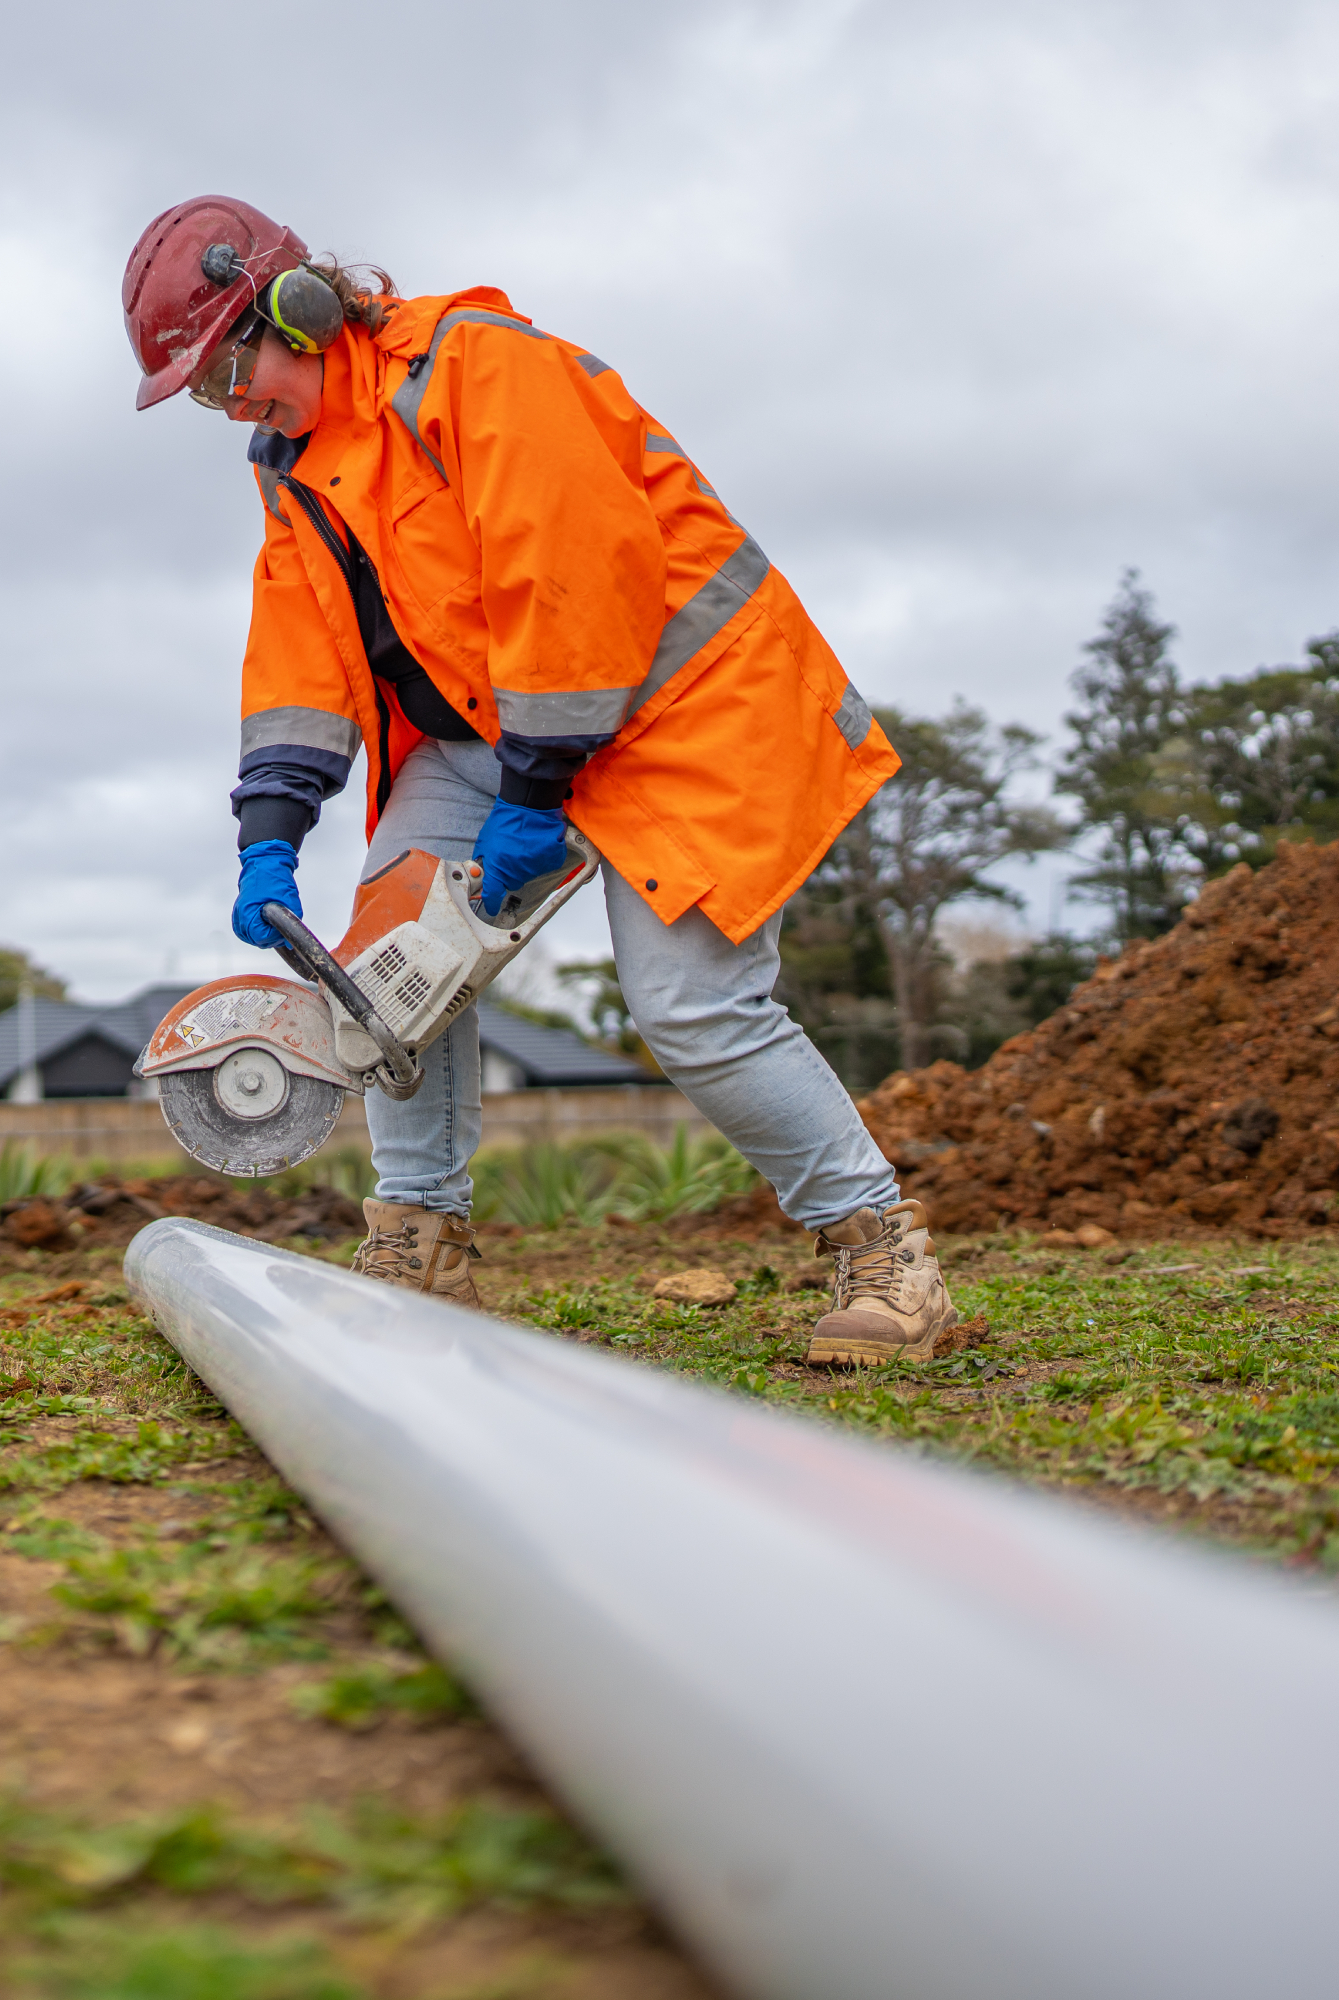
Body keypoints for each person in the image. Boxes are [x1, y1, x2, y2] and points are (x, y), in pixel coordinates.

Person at [122, 196, 957, 1361]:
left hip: (680, 710)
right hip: (499, 737)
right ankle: (422, 1242)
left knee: (694, 1009)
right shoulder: (292, 467)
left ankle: (883, 1253)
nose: (234, 403)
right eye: (209, 392)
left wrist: (536, 790)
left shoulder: (476, 372)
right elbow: (297, 653)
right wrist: (272, 826)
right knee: (385, 971)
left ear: (301, 309)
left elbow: (570, 578)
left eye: (233, 365)